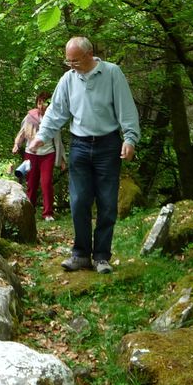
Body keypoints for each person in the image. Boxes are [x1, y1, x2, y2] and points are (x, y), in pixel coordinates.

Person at [28, 36, 140, 274]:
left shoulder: (112, 73)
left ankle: (101, 256)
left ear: (90, 55)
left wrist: (130, 138)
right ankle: (80, 254)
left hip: (108, 145)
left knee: (107, 203)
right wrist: (42, 136)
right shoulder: (68, 79)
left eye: (75, 61)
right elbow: (57, 111)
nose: (71, 65)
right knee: (79, 202)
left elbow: (126, 108)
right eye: (68, 61)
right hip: (79, 144)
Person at [12, 92, 66, 221]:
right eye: (39, 102)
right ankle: (30, 211)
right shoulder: (30, 117)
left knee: (46, 182)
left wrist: (62, 159)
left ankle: (48, 213)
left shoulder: (53, 118)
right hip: (31, 155)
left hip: (48, 154)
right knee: (32, 183)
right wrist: (16, 145)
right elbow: (22, 133)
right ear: (37, 103)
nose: (42, 106)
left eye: (45, 103)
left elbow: (58, 140)